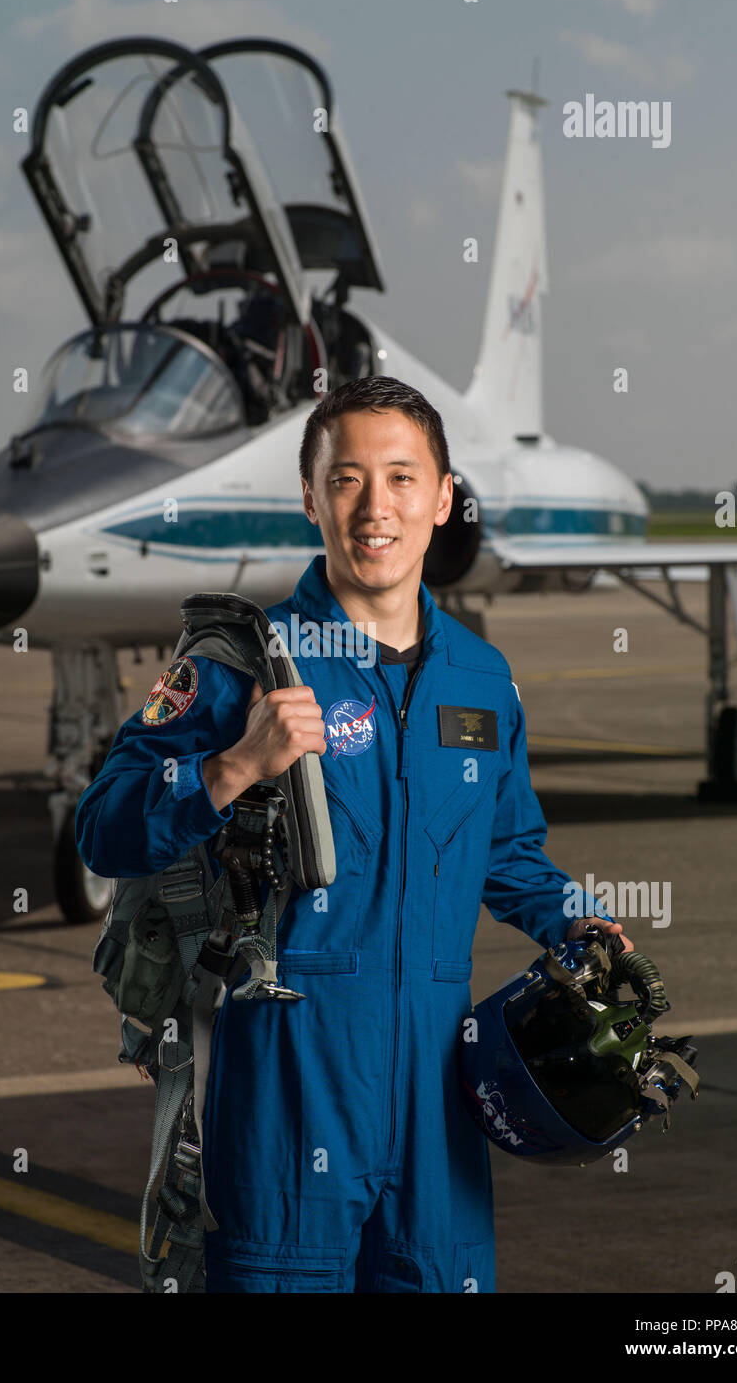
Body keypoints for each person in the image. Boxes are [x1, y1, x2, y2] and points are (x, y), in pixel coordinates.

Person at [75, 374, 631, 1293]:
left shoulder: (481, 679)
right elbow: (105, 828)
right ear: (308, 497)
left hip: (439, 1096)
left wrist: (573, 922)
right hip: (287, 1087)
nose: (376, 508)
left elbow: (506, 853)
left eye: (403, 478)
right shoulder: (237, 664)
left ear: (444, 497)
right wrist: (232, 767)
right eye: (345, 479)